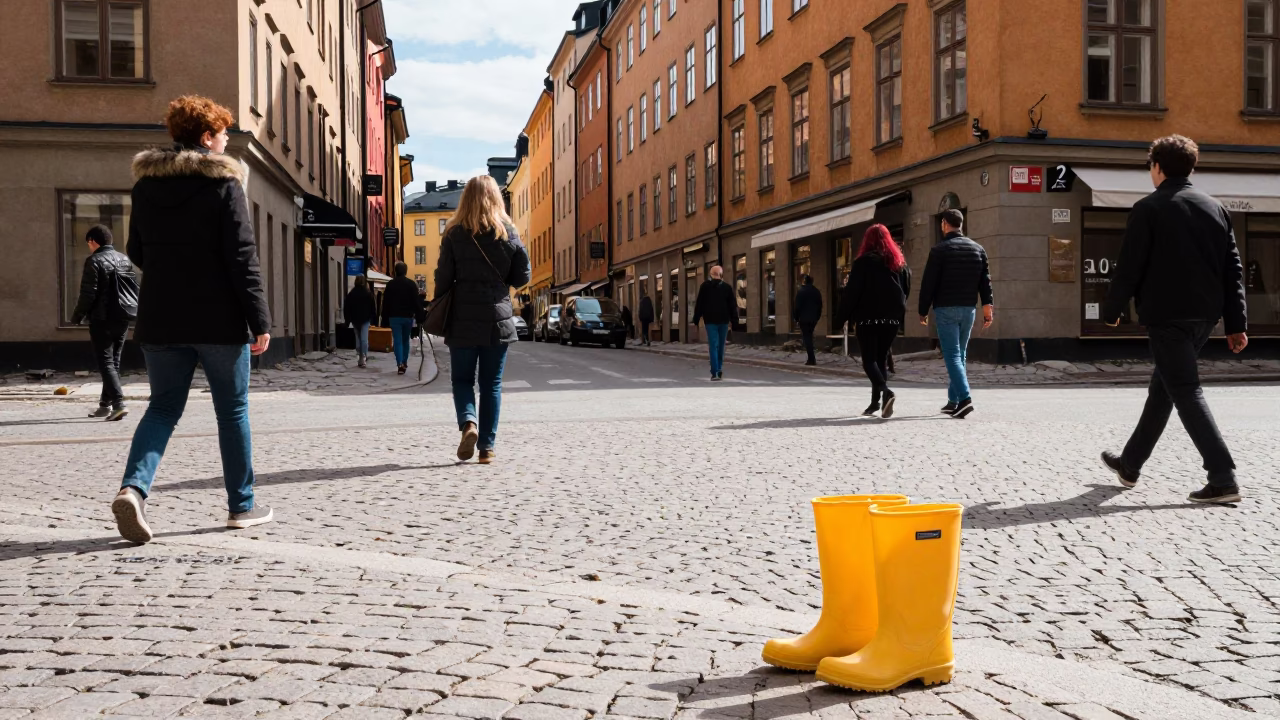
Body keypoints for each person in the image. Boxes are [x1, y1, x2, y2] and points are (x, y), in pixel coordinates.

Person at [110, 95, 274, 544]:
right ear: (206, 137)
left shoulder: (146, 187)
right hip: (219, 319)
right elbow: (243, 258)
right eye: (223, 134)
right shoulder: (224, 185)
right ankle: (241, 506)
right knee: (232, 411)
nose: (226, 142)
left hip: (162, 317)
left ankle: (133, 489)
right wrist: (259, 318)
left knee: (162, 408)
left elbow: (137, 251)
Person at [1101, 135, 1249, 505]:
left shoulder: (1148, 208)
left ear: (1157, 167)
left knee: (1185, 390)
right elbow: (1233, 269)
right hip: (1204, 317)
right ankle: (1130, 464)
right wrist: (1236, 322)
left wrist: (1113, 310)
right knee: (1164, 388)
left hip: (1167, 317)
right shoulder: (1215, 208)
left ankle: (1222, 477)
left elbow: (1130, 266)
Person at [434, 175, 531, 464]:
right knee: (491, 385)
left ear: (465, 199)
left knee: (462, 379)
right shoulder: (509, 233)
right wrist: (502, 283)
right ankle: (487, 448)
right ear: (496, 199)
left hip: (462, 316)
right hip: (497, 318)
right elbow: (523, 275)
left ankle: (469, 424)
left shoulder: (453, 234)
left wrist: (441, 298)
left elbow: (442, 278)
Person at [918, 209, 993, 420]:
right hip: (969, 308)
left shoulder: (939, 250)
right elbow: (985, 281)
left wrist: (922, 310)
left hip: (946, 309)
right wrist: (988, 306)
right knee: (960, 354)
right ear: (961, 224)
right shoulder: (978, 249)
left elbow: (928, 283)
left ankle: (965, 398)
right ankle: (953, 401)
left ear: (944, 224)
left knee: (951, 355)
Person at [840, 224, 912, 418]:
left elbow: (852, 293)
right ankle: (875, 403)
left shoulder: (863, 262)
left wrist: (843, 316)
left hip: (867, 318)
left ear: (867, 241)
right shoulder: (898, 263)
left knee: (869, 360)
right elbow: (906, 289)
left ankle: (886, 392)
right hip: (891, 319)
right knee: (880, 360)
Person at [71, 225, 138, 421]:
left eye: (88, 243)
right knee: (114, 362)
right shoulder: (124, 259)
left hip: (102, 319)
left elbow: (88, 294)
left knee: (106, 362)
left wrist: (77, 316)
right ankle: (104, 405)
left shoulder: (94, 261)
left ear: (93, 241)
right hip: (123, 316)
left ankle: (119, 404)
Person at [692, 266, 737, 381]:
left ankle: (715, 372)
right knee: (721, 345)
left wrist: (696, 319)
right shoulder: (727, 288)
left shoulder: (705, 287)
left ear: (711, 275)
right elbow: (732, 306)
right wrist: (734, 320)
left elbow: (699, 304)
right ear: (721, 275)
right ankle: (719, 368)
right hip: (723, 321)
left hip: (710, 321)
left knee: (713, 345)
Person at [381, 262, 419, 375]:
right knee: (405, 340)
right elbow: (416, 302)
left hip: (394, 317)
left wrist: (384, 318)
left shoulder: (390, 285)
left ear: (395, 271)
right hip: (408, 317)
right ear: (406, 271)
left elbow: (386, 303)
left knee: (397, 340)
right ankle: (404, 361)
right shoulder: (411, 284)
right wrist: (419, 315)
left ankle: (400, 364)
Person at [344, 276, 376, 368]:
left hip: (355, 319)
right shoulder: (368, 293)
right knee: (364, 339)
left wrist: (347, 320)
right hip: (365, 319)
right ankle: (363, 356)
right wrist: (373, 318)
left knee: (358, 338)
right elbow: (372, 307)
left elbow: (347, 308)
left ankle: (359, 355)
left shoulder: (351, 294)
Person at [792, 276, 823, 366]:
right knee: (809, 336)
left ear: (805, 282)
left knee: (807, 338)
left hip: (804, 319)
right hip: (813, 318)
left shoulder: (801, 292)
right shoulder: (816, 292)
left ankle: (811, 359)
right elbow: (820, 306)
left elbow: (797, 307)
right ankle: (811, 358)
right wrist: (817, 317)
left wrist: (796, 318)